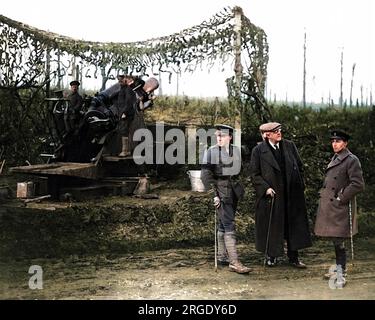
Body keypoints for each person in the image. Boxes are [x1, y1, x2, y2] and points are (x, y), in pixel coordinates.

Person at [249, 122, 312, 268]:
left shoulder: (290, 146)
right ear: (267, 135)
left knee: (293, 226)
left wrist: (300, 184)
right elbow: (254, 174)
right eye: (275, 131)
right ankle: (272, 256)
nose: (279, 133)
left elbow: (300, 167)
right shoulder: (258, 151)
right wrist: (265, 188)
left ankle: (294, 257)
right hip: (273, 195)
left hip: (291, 194)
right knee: (273, 226)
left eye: (280, 130)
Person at [314, 130, 365, 288]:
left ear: (345, 143)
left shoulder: (351, 160)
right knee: (335, 240)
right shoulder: (336, 157)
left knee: (339, 240)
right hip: (331, 205)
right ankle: (338, 268)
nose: (334, 144)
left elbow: (357, 184)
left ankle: (341, 273)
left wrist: (341, 197)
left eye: (338, 141)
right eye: (333, 141)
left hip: (340, 206)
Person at [201, 124, 251, 274]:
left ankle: (222, 256)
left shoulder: (236, 150)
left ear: (230, 137)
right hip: (221, 192)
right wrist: (214, 195)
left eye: (222, 136)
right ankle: (234, 262)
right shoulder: (211, 152)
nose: (219, 138)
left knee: (223, 223)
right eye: (217, 135)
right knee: (229, 224)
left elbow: (240, 169)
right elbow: (205, 175)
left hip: (233, 191)